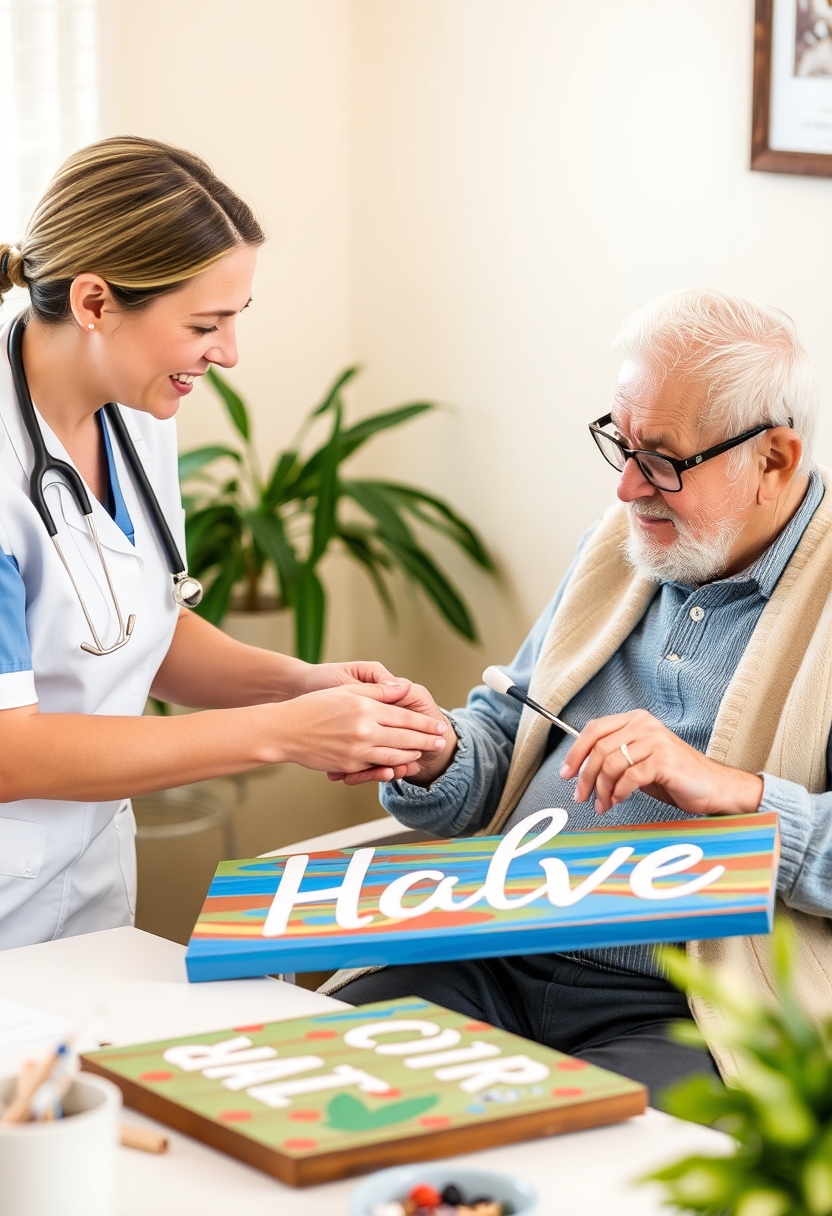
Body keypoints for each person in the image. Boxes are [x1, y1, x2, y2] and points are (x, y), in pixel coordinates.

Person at [328, 288, 832, 1105]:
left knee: (578, 1173)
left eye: (663, 458)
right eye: (620, 443)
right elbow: (512, 730)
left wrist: (735, 793)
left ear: (773, 460)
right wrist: (438, 753)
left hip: (687, 1009)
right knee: (319, 1095)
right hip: (487, 949)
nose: (630, 487)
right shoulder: (622, 542)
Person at [0, 136, 447, 950]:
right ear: (96, 303)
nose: (228, 354)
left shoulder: (137, 413)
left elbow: (139, 634)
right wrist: (283, 734)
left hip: (88, 882)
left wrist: (300, 686)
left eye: (235, 320)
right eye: (204, 324)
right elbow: (9, 751)